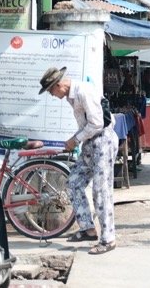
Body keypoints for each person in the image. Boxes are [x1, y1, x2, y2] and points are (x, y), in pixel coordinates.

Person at [39, 66, 118, 254]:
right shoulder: (71, 95)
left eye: (51, 91)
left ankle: (108, 239)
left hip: (103, 142)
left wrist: (75, 139)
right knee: (73, 183)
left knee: (101, 191)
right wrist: (76, 139)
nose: (52, 95)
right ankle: (87, 228)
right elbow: (87, 124)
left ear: (59, 85)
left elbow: (98, 123)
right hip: (90, 144)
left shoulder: (84, 91)